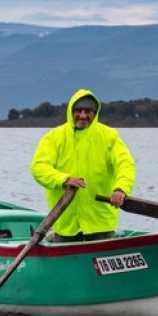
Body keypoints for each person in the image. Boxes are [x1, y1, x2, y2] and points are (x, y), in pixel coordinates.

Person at [30, 88, 136, 242]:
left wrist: (121, 189)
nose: (83, 116)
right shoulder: (53, 138)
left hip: (100, 223)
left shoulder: (110, 136)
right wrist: (64, 180)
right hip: (65, 222)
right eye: (78, 111)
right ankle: (51, 239)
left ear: (95, 113)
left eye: (88, 111)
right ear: (70, 111)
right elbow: (38, 167)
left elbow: (126, 164)